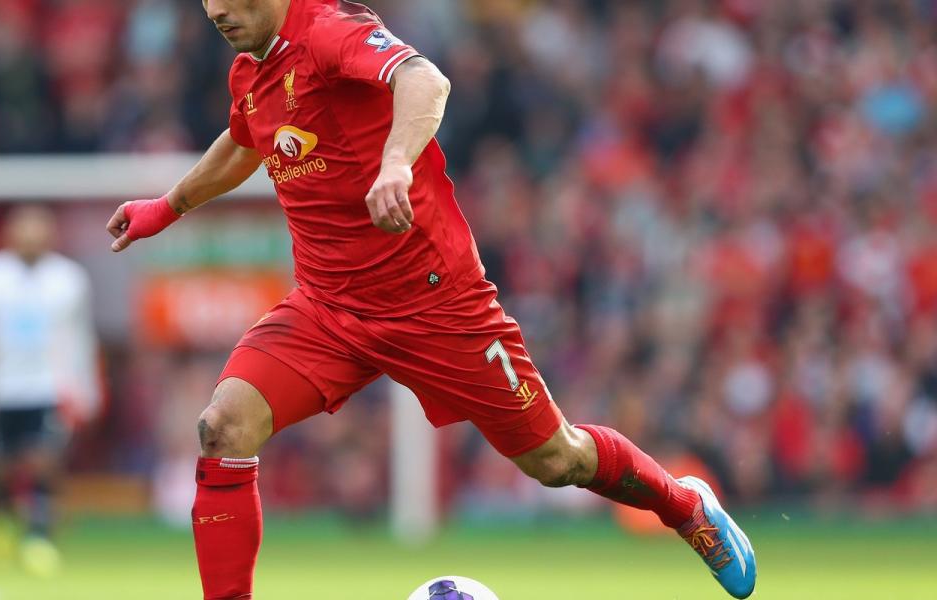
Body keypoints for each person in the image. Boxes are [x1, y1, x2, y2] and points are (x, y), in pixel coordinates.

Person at [106, 1, 756, 598]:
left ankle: (685, 507)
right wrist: (167, 207)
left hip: (438, 305)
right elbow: (245, 138)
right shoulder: (251, 73)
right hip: (328, 309)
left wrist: (395, 161)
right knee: (224, 425)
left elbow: (424, 80)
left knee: (557, 461)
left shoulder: (329, 29)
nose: (216, 8)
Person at [0, 205, 99, 576]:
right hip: (0, 386)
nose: (31, 239)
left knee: (45, 458)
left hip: (46, 385)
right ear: (10, 235)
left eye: (38, 231)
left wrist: (86, 387)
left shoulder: (68, 279)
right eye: (23, 231)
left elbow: (79, 338)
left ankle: (39, 536)